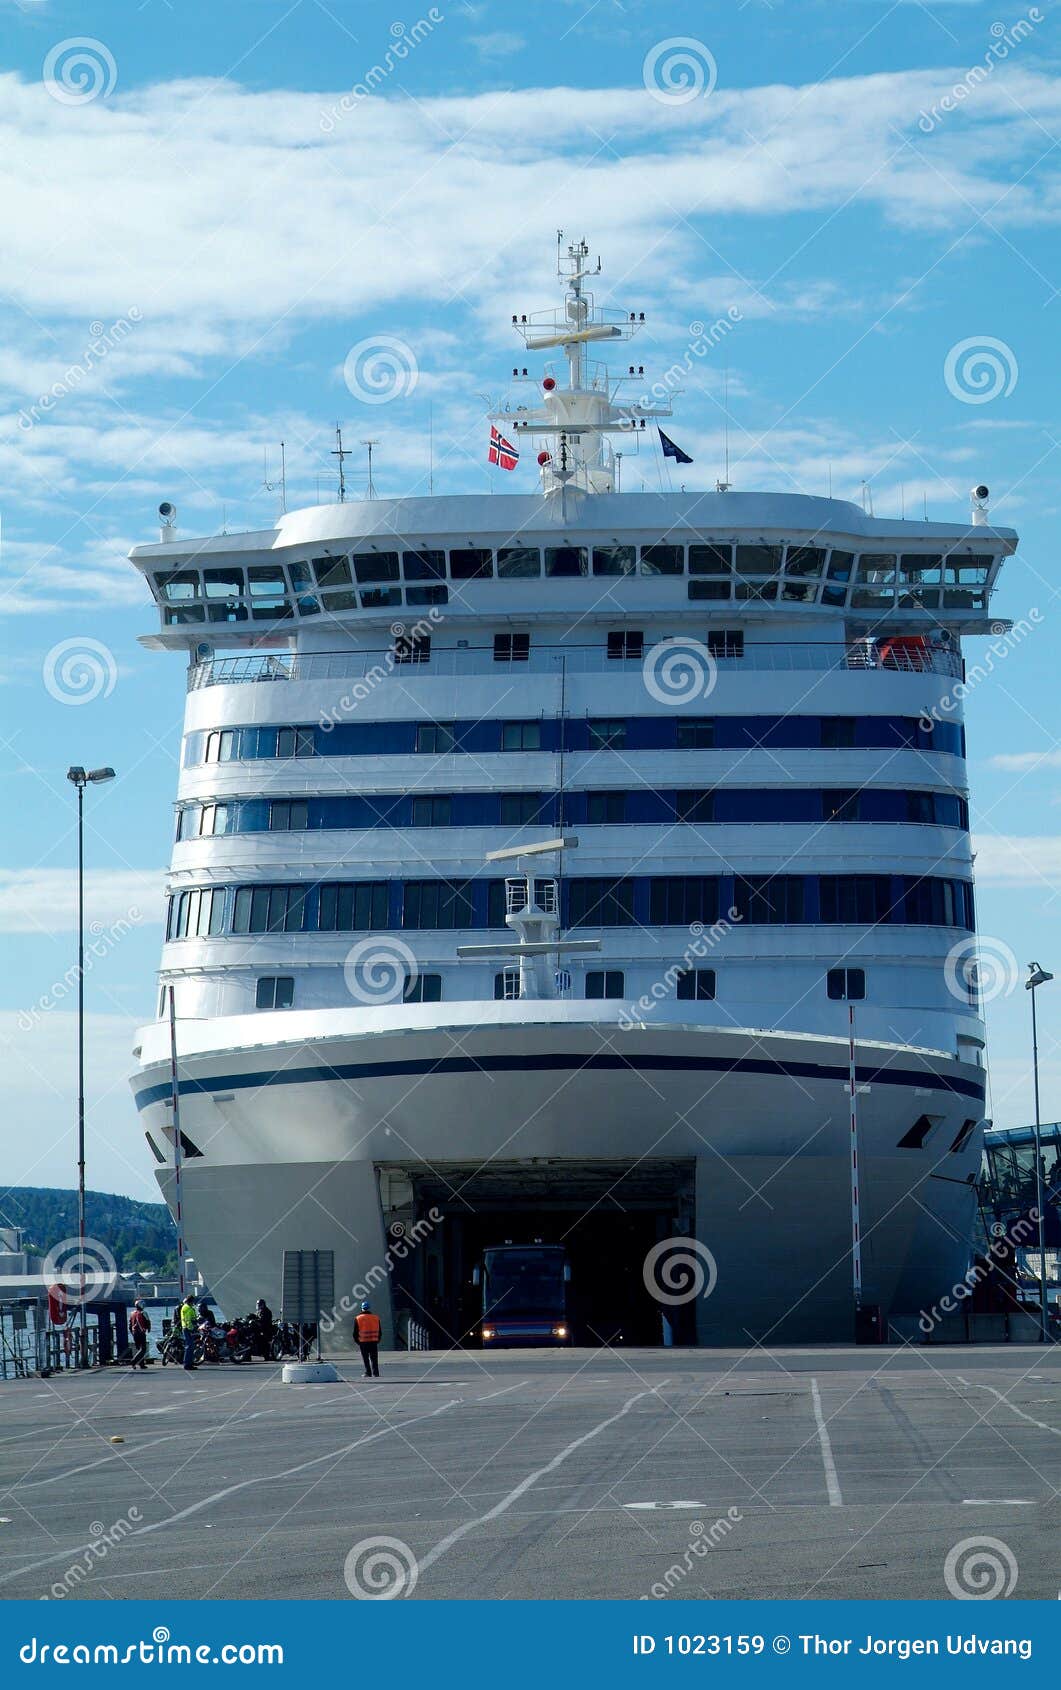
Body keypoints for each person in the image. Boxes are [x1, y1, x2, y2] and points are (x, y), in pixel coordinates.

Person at [354, 1301, 381, 1377]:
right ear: (369, 1308)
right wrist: (377, 1339)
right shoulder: (376, 1318)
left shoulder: (358, 1318)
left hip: (363, 1342)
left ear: (362, 1308)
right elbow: (380, 1331)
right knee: (374, 1358)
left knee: (365, 1358)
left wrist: (358, 1341)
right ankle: (376, 1373)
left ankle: (368, 1372)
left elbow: (355, 1332)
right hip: (373, 1341)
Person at [129, 1300, 151, 1370]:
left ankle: (141, 1364)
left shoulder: (132, 1313)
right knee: (143, 1349)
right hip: (141, 1332)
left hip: (134, 1333)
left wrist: (132, 1332)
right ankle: (133, 1361)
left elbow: (130, 1325)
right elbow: (148, 1322)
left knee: (139, 1348)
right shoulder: (143, 1313)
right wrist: (149, 1329)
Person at [180, 1293, 199, 1370]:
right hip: (188, 1329)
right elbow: (188, 1320)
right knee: (189, 1346)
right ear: (191, 1301)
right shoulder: (188, 1308)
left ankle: (189, 1363)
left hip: (187, 1328)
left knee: (190, 1346)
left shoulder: (186, 1307)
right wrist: (191, 1329)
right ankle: (187, 1364)